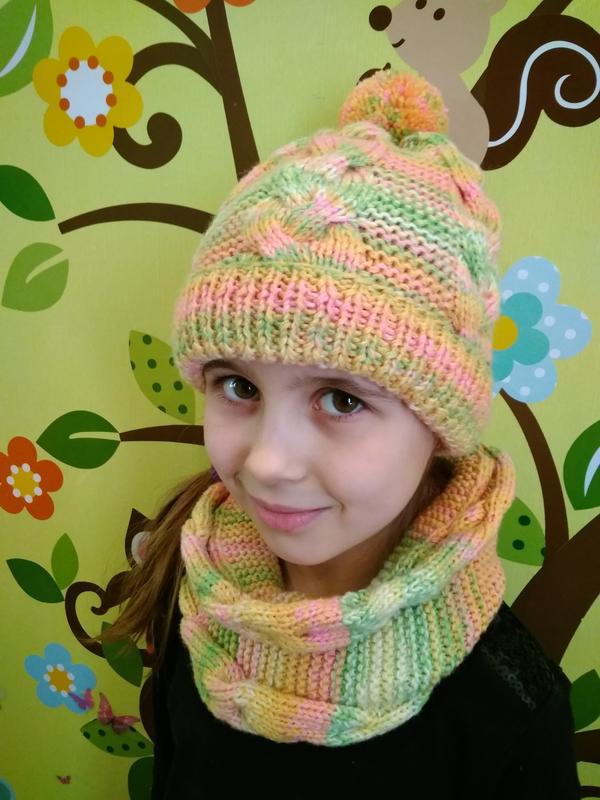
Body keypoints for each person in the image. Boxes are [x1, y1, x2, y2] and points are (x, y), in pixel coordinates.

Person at [101, 70, 581, 798]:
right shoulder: (194, 591)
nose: (269, 462)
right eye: (238, 387)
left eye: (341, 399)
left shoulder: (506, 711)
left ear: (439, 427)